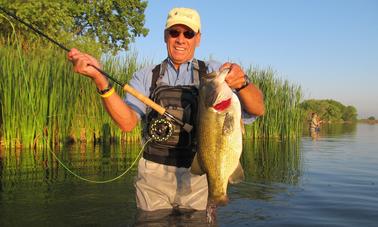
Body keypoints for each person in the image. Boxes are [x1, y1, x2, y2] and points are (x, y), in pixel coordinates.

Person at [68, 7, 265, 212]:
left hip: (197, 177)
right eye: (174, 32)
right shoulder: (146, 76)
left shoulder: (214, 73)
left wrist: (242, 84)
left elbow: (257, 109)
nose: (181, 39)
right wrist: (101, 81)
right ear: (165, 36)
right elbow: (127, 123)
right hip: (153, 176)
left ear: (198, 38)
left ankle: (216, 197)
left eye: (188, 33)